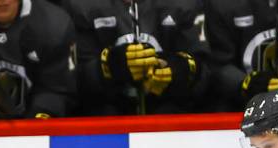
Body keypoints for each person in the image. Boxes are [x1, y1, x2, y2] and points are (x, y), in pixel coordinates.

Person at [63, 0, 209, 115]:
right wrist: (109, 67)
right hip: (105, 117)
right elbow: (71, 83)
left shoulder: (185, 4)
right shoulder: (79, 6)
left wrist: (182, 69)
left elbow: (208, 76)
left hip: (169, 117)